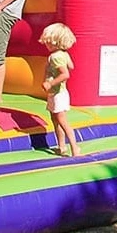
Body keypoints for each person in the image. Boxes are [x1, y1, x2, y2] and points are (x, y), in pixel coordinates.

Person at [39, 23, 81, 157]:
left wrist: (50, 83)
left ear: (55, 42)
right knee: (55, 119)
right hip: (57, 93)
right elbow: (71, 66)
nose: (46, 44)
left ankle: (75, 147)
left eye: (48, 42)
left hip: (58, 93)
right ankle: (61, 146)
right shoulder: (63, 54)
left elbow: (65, 74)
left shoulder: (55, 57)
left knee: (62, 120)